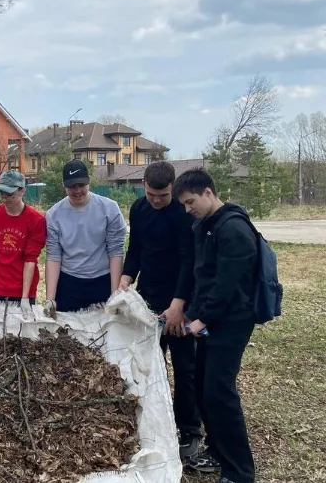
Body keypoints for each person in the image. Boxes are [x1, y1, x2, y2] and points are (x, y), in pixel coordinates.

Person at [174, 167, 257, 483]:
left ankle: (239, 471)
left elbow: (225, 286)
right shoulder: (205, 225)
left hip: (232, 321)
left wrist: (199, 322)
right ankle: (219, 452)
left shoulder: (233, 228)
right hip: (209, 321)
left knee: (220, 393)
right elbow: (201, 276)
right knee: (205, 391)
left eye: (190, 201)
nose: (187, 208)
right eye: (184, 203)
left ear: (208, 192)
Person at [118, 161, 203, 460]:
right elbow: (137, 248)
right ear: (144, 185)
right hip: (148, 298)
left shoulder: (183, 213)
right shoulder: (139, 210)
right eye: (152, 194)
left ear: (173, 189)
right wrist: (127, 277)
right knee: (148, 365)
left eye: (163, 196)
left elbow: (188, 260)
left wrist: (179, 304)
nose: (157, 201)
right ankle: (152, 423)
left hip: (179, 300)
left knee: (185, 368)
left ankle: (190, 430)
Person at [43, 159, 127, 315]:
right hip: (69, 281)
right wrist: (50, 299)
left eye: (81, 185)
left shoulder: (109, 209)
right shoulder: (54, 215)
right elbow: (53, 256)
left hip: (103, 279)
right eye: (72, 187)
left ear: (89, 182)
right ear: (64, 186)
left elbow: (116, 251)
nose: (77, 191)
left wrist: (115, 293)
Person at [0, 170, 47, 318]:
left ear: (22, 191)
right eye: (2, 194)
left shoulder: (36, 219)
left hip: (22, 288)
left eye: (10, 195)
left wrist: (25, 297)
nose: (5, 199)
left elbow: (30, 259)